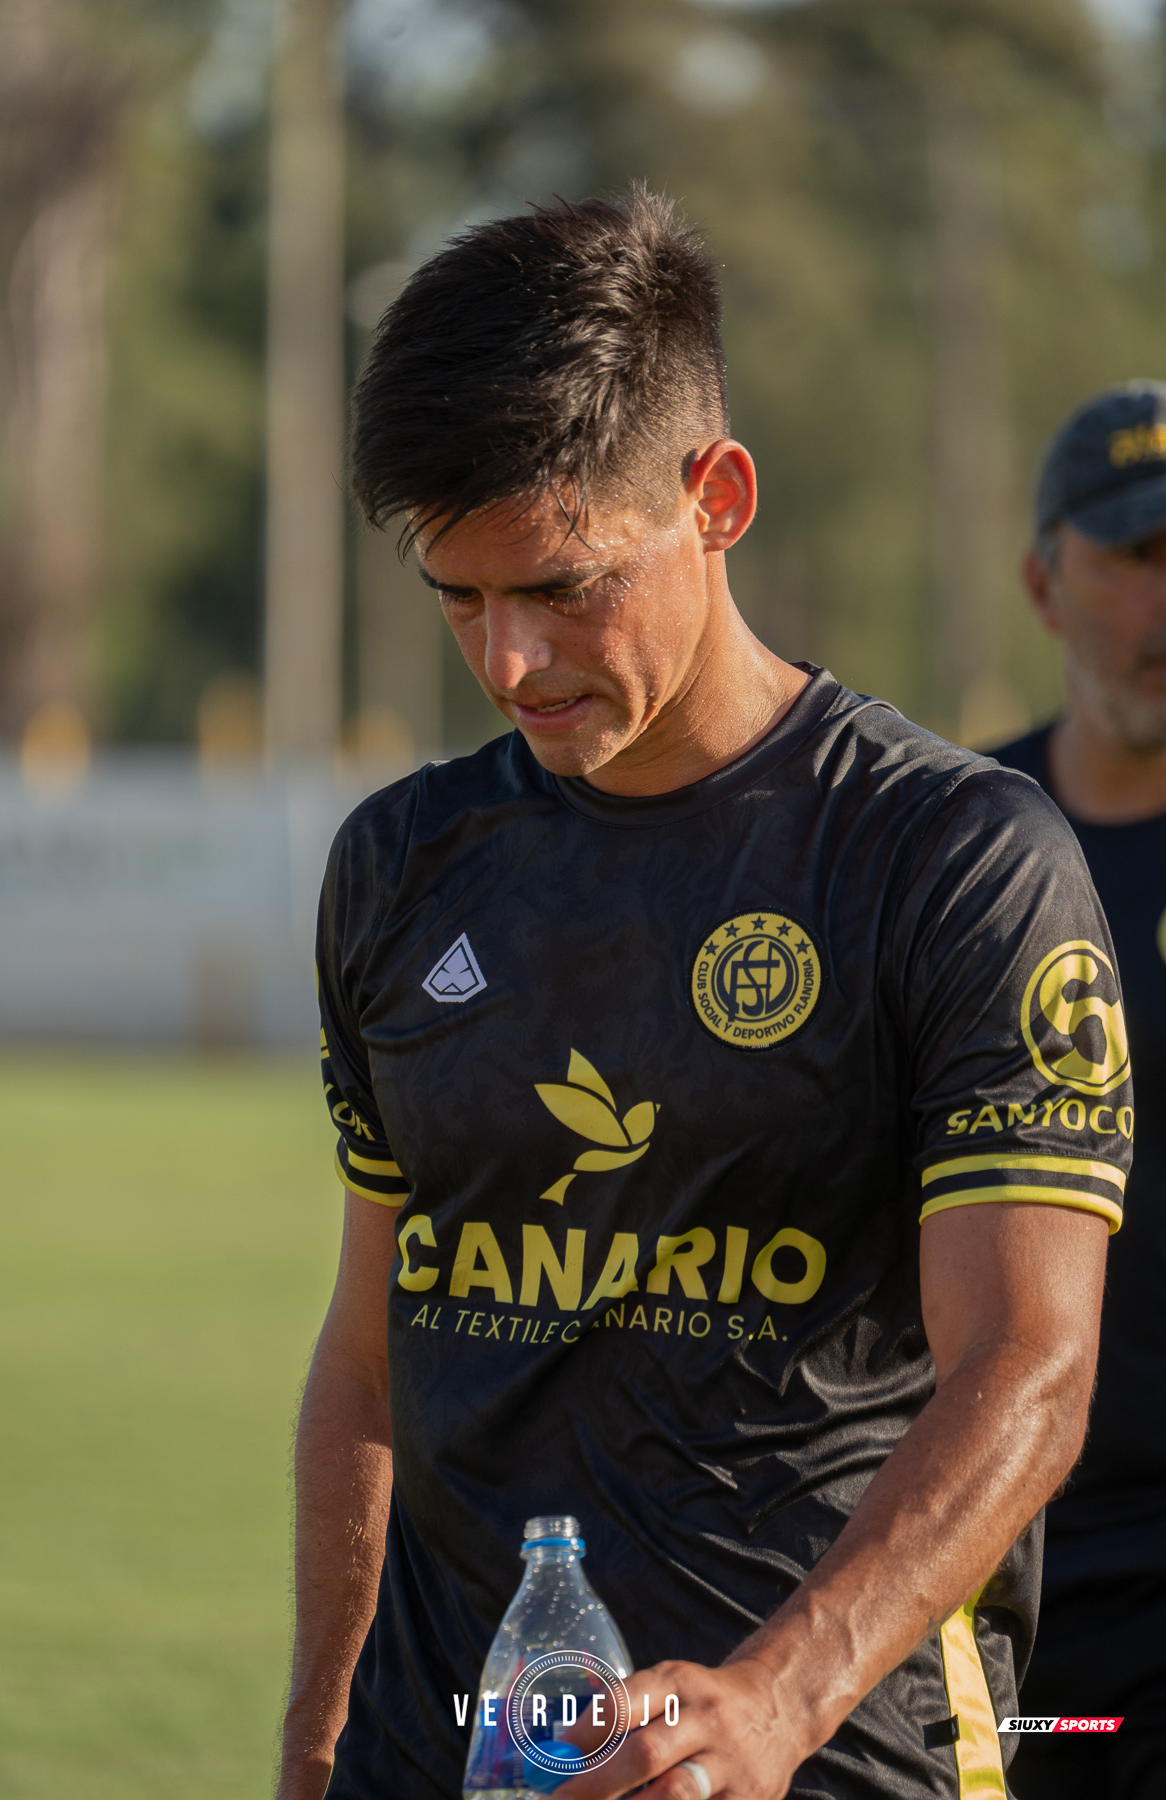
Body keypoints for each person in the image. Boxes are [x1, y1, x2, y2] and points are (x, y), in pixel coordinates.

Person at [276, 189, 1129, 1800]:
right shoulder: (399, 865)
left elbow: (1032, 1362)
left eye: (564, 583)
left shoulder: (950, 858)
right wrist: (322, 1741)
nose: (511, 661)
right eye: (460, 597)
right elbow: (370, 1355)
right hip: (435, 1756)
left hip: (822, 1760)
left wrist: (776, 1698)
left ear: (716, 496)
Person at [990, 381, 1166, 1800]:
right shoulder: (957, 854)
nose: (1165, 601)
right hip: (1016, 1563)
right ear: (1048, 584)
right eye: (1136, 558)